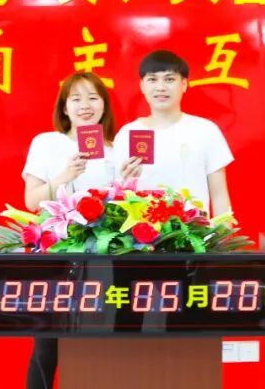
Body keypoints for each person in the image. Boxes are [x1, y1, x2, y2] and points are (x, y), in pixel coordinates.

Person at [21, 71, 116, 389]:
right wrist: (64, 176)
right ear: (64, 108)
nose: (85, 106)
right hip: (56, 253)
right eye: (76, 99)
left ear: (104, 105)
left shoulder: (115, 149)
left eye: (93, 98)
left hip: (102, 258)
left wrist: (130, 177)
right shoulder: (46, 143)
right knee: (46, 347)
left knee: (99, 344)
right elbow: (32, 200)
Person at [113, 50, 233, 217]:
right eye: (152, 79)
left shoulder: (205, 130)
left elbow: (219, 196)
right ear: (142, 86)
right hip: (143, 232)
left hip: (195, 231)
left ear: (184, 84)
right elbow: (117, 197)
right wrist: (126, 182)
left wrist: (224, 232)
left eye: (169, 79)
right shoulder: (127, 134)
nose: (161, 87)